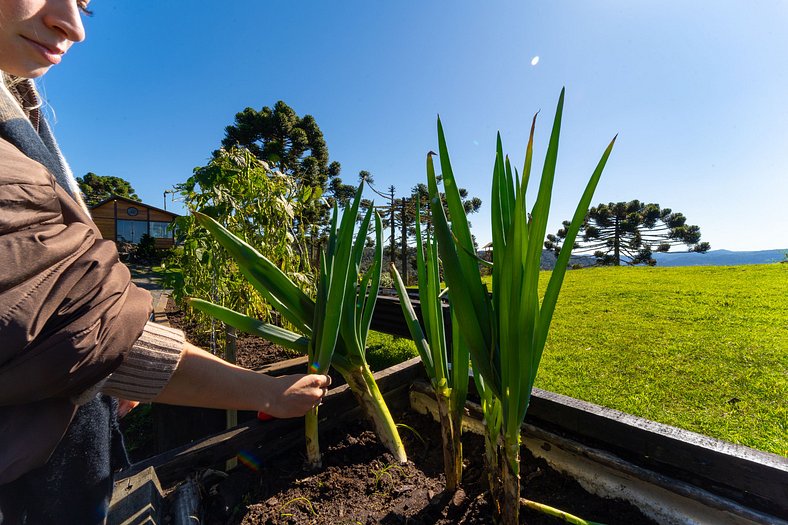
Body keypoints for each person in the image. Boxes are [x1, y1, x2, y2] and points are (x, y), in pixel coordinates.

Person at [0, 1, 331, 523]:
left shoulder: (20, 113)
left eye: (85, 4)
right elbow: (87, 330)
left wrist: (113, 380)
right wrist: (267, 391)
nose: (75, 26)